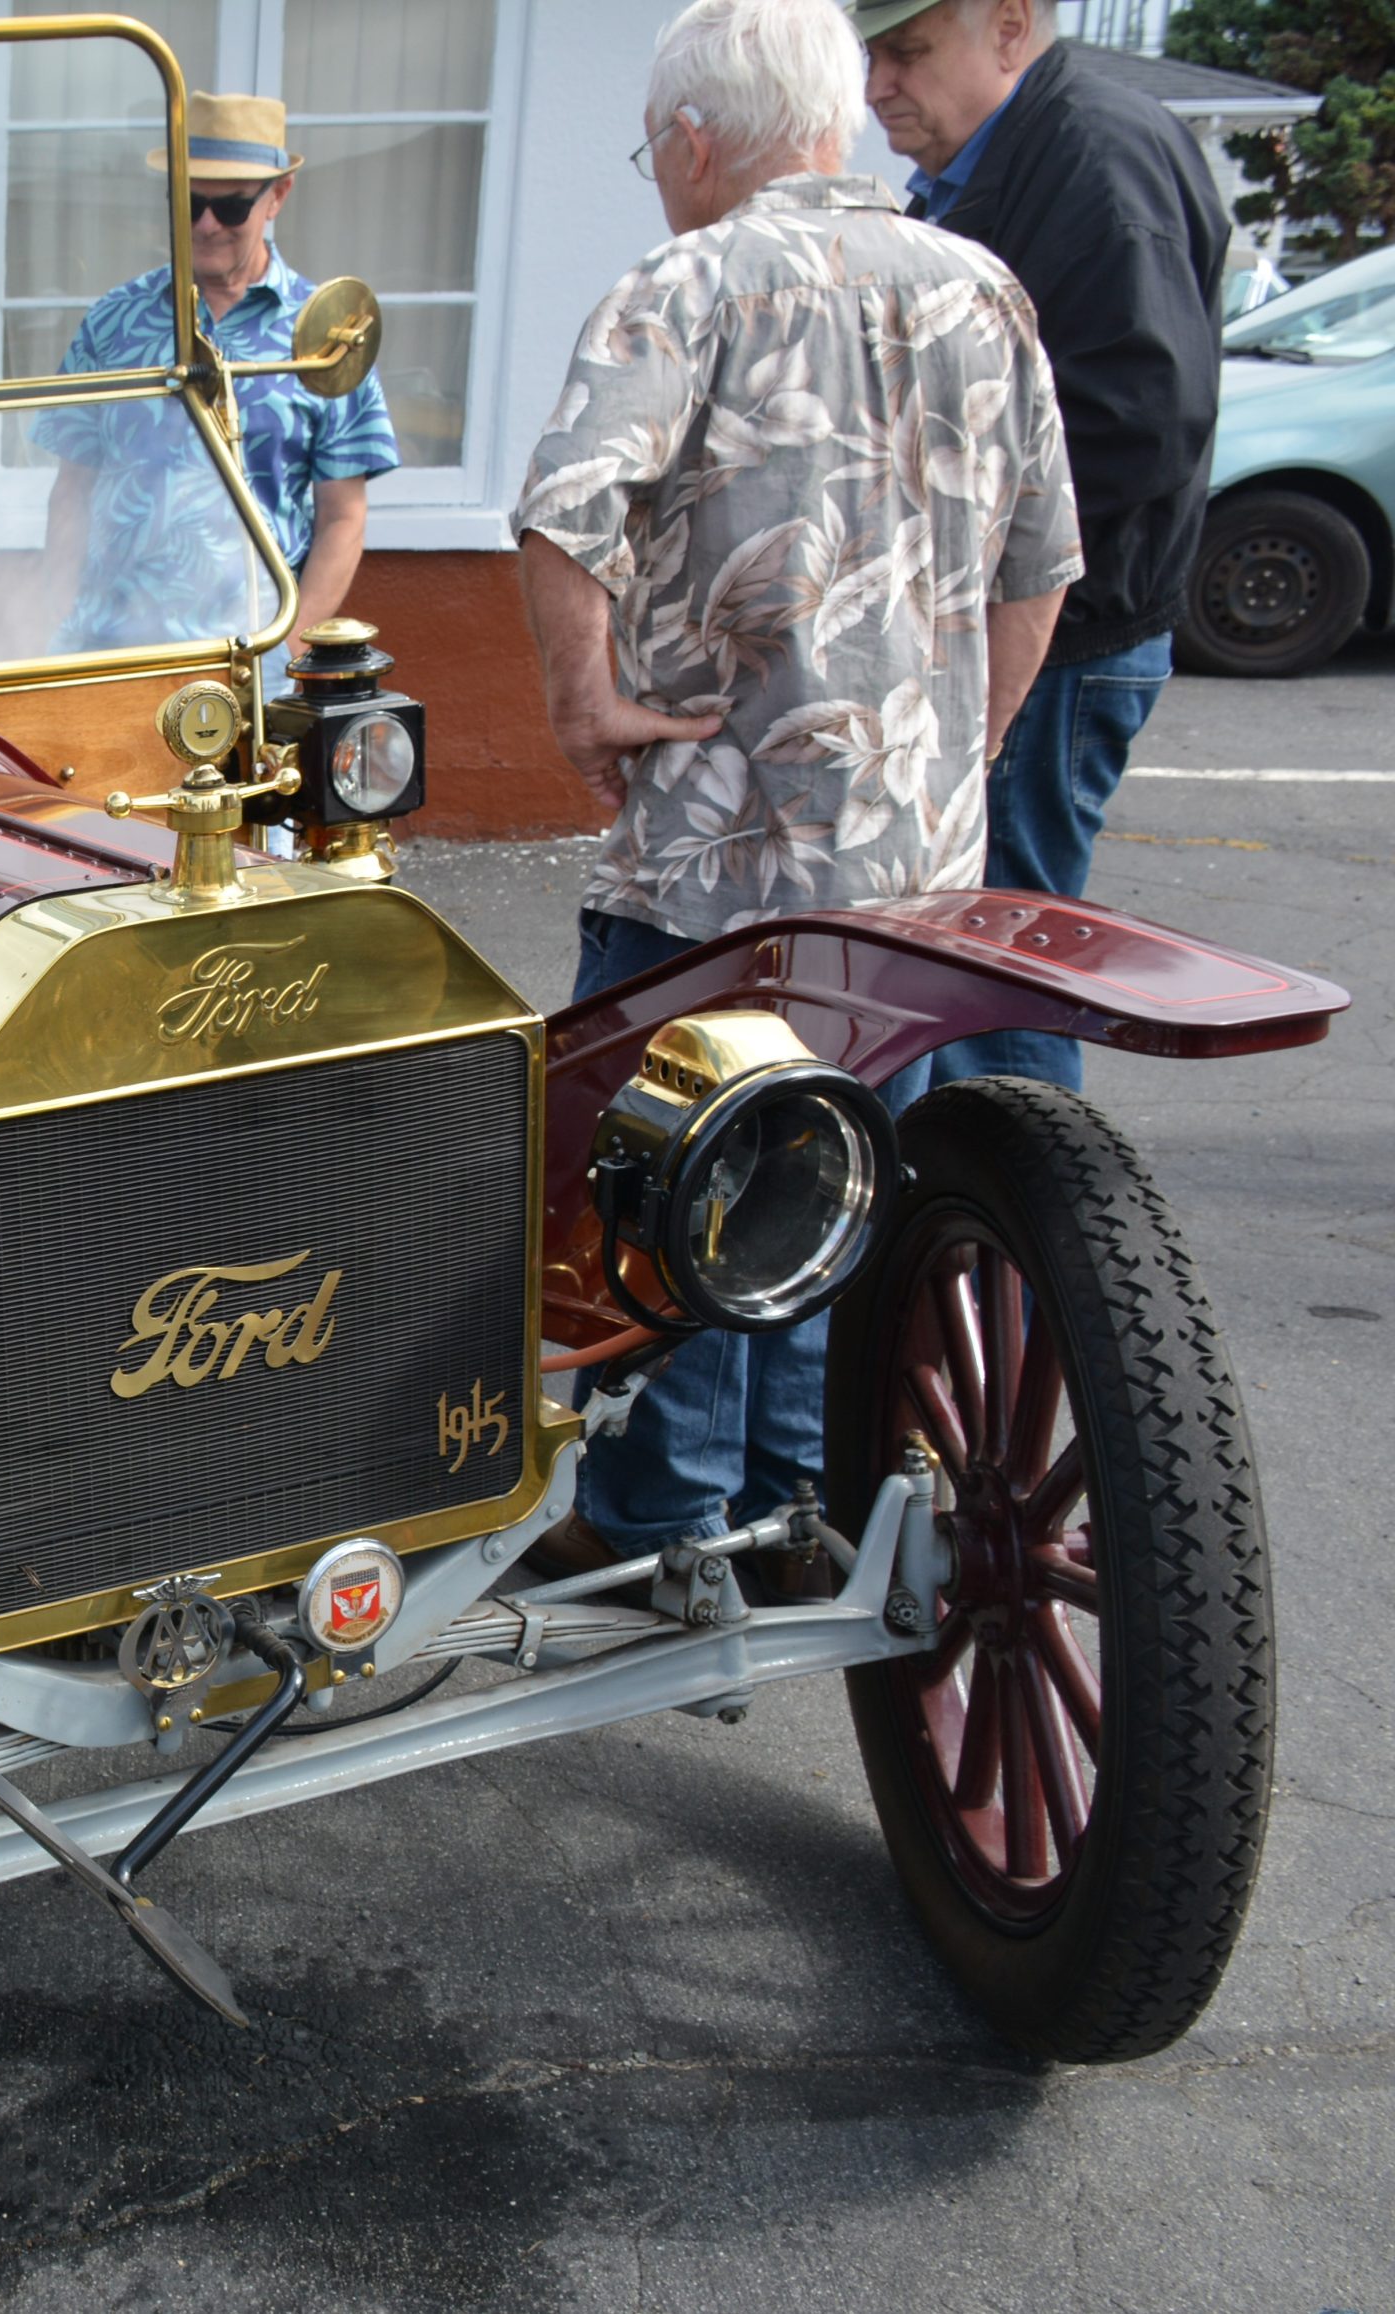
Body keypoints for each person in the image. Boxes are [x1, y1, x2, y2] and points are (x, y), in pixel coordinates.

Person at [515, 0, 1080, 1568]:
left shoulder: (687, 283)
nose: (656, 178)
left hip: (715, 844)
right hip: (909, 858)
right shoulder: (983, 288)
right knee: (852, 1172)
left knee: (668, 1178)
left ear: (695, 140)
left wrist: (587, 708)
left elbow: (566, 512)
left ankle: (658, 1515)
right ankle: (796, 1495)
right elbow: (1041, 568)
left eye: (653, 153)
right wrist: (966, 747)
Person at [857, 0, 1230, 1089]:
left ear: (1009, 27)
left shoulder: (1089, 157)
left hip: (1054, 636)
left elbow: (1138, 423)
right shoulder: (1031, 146)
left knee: (994, 971)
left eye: (908, 52)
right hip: (1038, 621)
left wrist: (944, 560)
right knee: (972, 955)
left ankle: (1020, 1249)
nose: (877, 84)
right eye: (872, 53)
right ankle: (988, 1227)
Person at [34, 93, 397, 674]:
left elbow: (342, 516)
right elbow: (71, 490)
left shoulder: (331, 334)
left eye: (230, 207)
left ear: (277, 196)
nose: (206, 224)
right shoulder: (113, 320)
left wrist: (290, 648)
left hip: (250, 666)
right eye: (191, 201)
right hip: (106, 657)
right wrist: (50, 624)